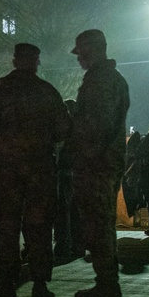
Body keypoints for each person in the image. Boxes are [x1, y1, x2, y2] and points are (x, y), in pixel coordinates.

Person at [0, 43, 71, 297]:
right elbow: (62, 130)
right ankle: (38, 285)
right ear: (36, 62)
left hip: (7, 170)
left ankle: (6, 285)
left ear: (15, 61)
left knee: (7, 227)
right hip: (40, 170)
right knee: (39, 227)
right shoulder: (47, 92)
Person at [65, 29, 130, 297]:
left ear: (94, 49)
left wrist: (79, 150)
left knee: (98, 224)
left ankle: (107, 284)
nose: (79, 57)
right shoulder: (109, 78)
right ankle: (106, 282)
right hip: (103, 162)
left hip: (96, 164)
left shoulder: (101, 80)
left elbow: (96, 126)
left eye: (81, 51)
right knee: (99, 224)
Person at [54, 99, 84, 259]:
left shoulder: (65, 129)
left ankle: (63, 244)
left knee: (63, 210)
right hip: (78, 174)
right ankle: (78, 245)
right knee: (76, 211)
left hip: (65, 173)